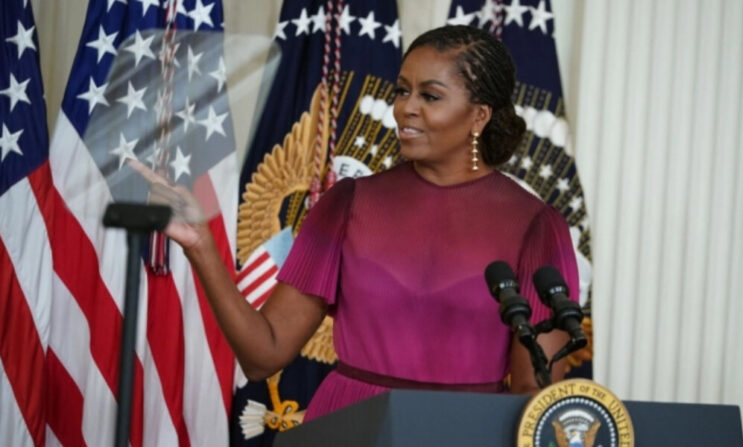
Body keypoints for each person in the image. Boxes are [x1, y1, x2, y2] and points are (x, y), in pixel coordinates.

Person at [155, 24, 579, 421]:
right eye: (402, 90)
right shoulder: (348, 203)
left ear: (478, 116)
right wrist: (201, 247)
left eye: (429, 96)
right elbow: (263, 355)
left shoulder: (536, 226)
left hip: (463, 430)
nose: (404, 109)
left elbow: (534, 394)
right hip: (349, 427)